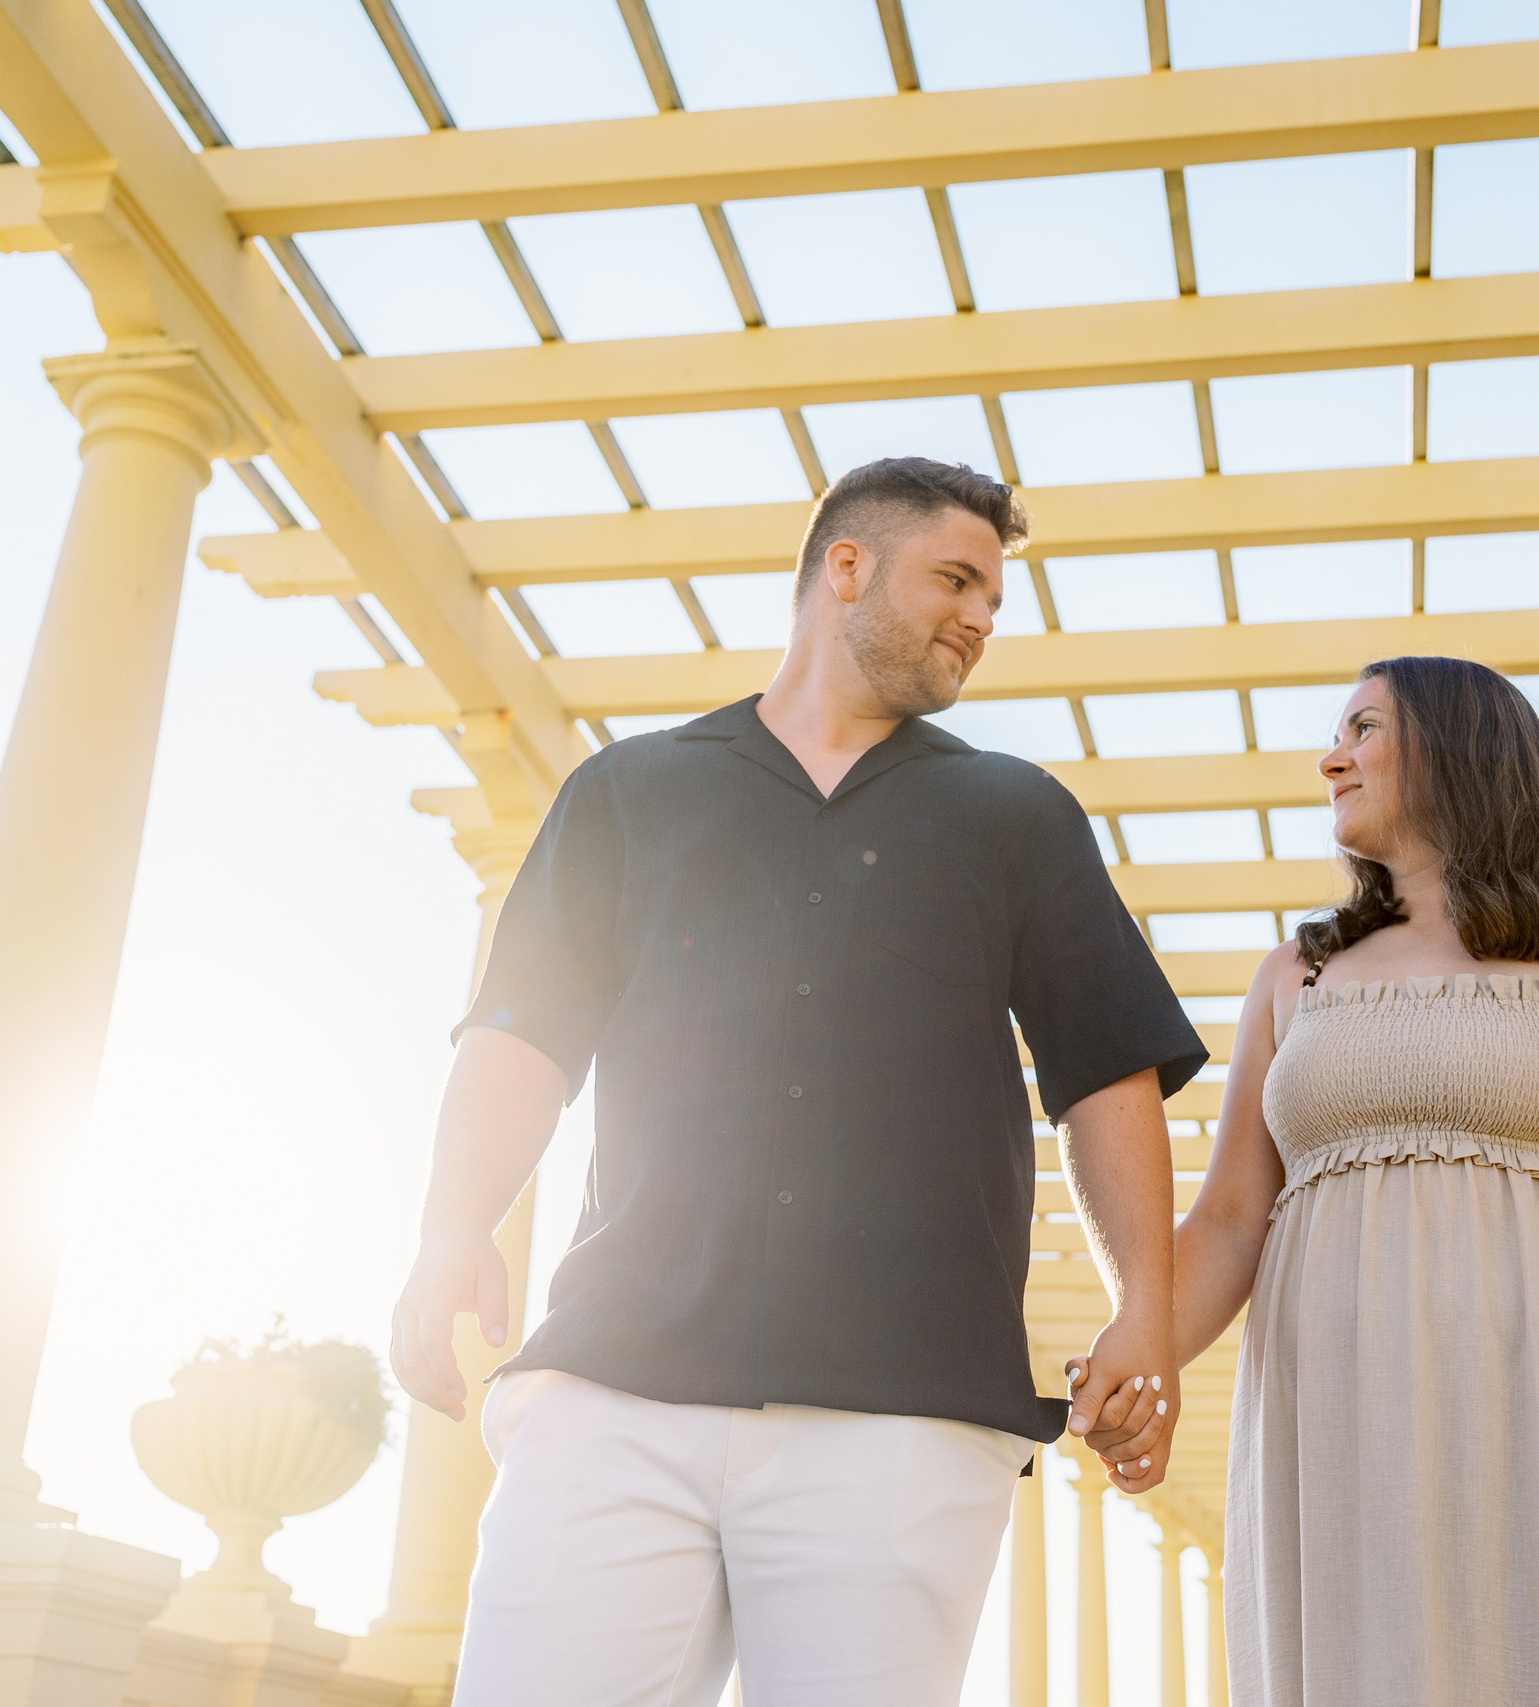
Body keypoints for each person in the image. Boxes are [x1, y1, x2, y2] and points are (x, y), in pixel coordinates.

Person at [389, 457, 1207, 1707]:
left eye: (995, 595)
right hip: (617, 1386)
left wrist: (1142, 1304)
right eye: (956, 579)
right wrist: (450, 1227)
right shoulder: (626, 793)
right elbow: (521, 1038)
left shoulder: (1015, 813)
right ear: (844, 569)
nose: (983, 618)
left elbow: (1105, 1070)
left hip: (906, 1414)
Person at [1159, 655, 1539, 1706]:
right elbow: (1228, 1219)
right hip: (1337, 1429)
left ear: (1456, 749)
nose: (1329, 758)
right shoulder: (1292, 977)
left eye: (1361, 728)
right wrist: (1129, 1351)